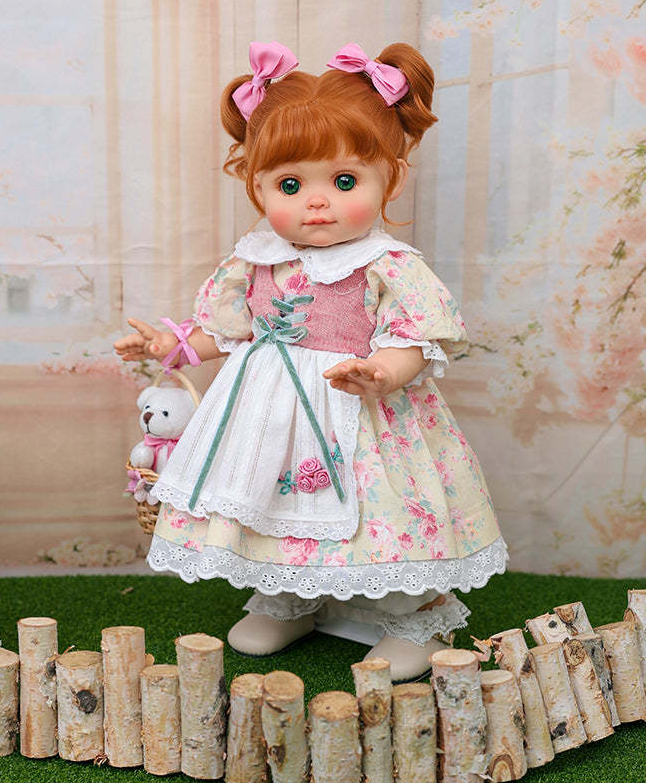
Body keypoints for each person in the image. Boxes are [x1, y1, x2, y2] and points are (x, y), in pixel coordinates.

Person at [114, 40, 507, 681]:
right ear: (257, 184)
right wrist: (171, 345)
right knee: (267, 499)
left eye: (344, 181)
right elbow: (229, 329)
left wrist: (383, 371)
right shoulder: (257, 259)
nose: (316, 202)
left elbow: (416, 337)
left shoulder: (386, 265)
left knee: (375, 511)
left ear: (390, 179)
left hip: (357, 407)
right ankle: (292, 594)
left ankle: (413, 614)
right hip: (266, 412)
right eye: (291, 185)